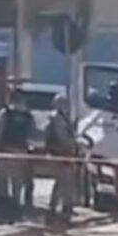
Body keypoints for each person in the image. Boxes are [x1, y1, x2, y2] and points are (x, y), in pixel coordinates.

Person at [0, 89, 34, 219]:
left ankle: (5, 210)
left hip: (5, 152)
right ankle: (15, 211)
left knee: (1, 183)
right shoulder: (27, 116)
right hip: (21, 153)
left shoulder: (6, 113)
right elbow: (33, 136)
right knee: (17, 184)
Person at [45, 94, 79, 226]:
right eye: (64, 104)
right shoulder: (57, 120)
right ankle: (58, 211)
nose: (67, 106)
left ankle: (62, 210)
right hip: (60, 154)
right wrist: (73, 142)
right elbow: (63, 138)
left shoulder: (63, 119)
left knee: (64, 183)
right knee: (63, 184)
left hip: (65, 155)